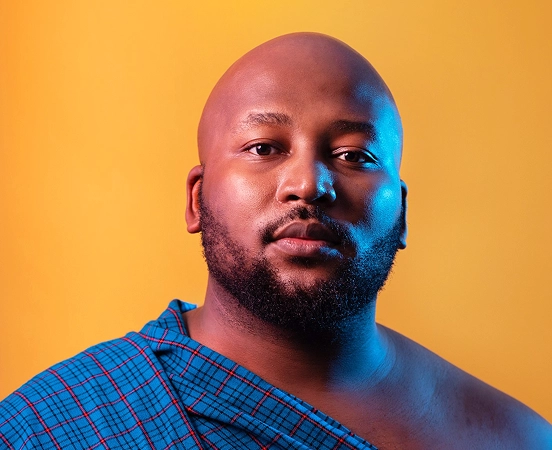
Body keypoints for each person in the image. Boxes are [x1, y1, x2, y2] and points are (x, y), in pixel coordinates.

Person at [0, 33, 550, 449]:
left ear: (401, 214)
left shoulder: (510, 438)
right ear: (197, 200)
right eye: (264, 147)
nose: (308, 184)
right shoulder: (52, 428)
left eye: (353, 155)